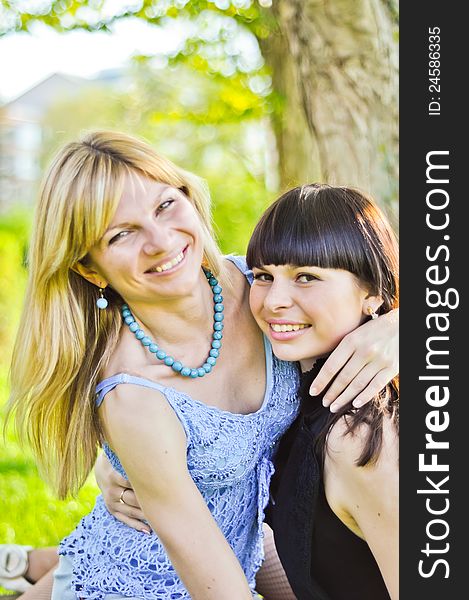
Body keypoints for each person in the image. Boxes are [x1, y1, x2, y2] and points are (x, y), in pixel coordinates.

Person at [2, 131, 398, 600]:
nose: (160, 241)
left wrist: (403, 322)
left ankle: (36, 564)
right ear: (90, 270)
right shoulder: (135, 395)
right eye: (121, 234)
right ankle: (43, 572)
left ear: (189, 197)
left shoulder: (265, 289)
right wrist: (133, 461)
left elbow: (364, 274)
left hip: (250, 548)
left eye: (165, 205)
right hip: (148, 587)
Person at [246, 183, 399, 599]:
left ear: (373, 294)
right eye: (263, 276)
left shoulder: (359, 438)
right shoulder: (297, 393)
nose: (275, 300)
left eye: (306, 277)